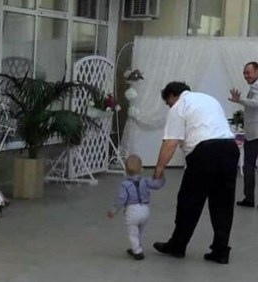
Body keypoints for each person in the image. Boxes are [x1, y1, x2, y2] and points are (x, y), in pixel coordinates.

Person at [152, 82, 239, 264]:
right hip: (230, 149)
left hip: (205, 152)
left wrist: (159, 168)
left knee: (189, 201)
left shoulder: (179, 106)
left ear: (172, 96)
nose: (169, 106)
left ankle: (177, 246)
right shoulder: (209, 99)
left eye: (168, 103)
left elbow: (170, 142)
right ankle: (221, 251)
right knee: (223, 204)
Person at [107, 154, 165, 260]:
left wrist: (113, 211)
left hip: (132, 211)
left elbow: (121, 199)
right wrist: (161, 176)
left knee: (133, 233)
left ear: (125, 170)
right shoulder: (145, 180)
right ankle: (137, 246)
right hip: (145, 209)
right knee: (139, 231)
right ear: (141, 169)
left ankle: (137, 251)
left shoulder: (125, 184)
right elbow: (157, 185)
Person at [229, 61, 258, 207]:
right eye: (244, 73)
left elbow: (256, 103)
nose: (246, 76)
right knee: (249, 166)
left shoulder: (256, 86)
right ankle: (249, 198)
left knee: (249, 166)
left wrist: (239, 100)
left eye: (248, 73)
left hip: (255, 134)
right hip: (254, 133)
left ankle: (249, 198)